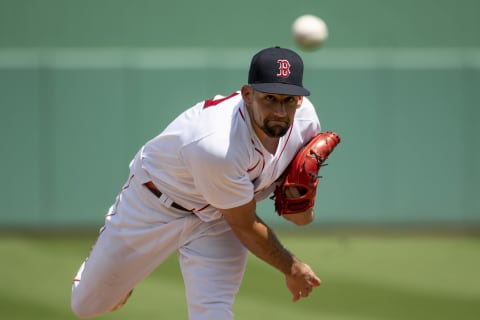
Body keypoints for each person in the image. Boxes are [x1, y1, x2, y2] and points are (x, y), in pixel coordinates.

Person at [71, 46, 322, 319]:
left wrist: (301, 199)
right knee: (87, 306)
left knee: (213, 311)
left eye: (288, 100)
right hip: (155, 206)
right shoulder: (216, 143)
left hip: (217, 219)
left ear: (299, 100)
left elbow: (300, 218)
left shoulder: (306, 122)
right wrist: (292, 267)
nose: (279, 110)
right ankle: (110, 260)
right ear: (247, 95)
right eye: (270, 98)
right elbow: (245, 225)